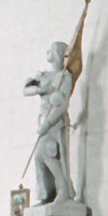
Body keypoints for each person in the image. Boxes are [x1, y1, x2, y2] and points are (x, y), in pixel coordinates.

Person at [25, 42, 76, 204]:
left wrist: (48, 124)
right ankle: (48, 194)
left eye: (52, 50)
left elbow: (62, 105)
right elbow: (26, 89)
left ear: (59, 54)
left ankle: (64, 189)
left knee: (46, 152)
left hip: (55, 122)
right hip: (43, 119)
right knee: (39, 158)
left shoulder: (64, 77)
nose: (48, 52)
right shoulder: (44, 76)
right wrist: (41, 89)